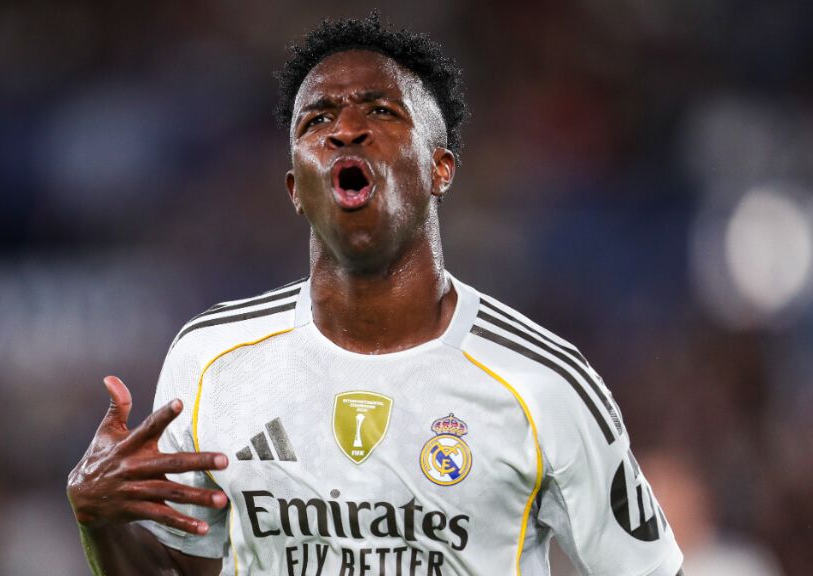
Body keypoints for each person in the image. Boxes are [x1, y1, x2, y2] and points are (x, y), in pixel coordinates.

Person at [67, 13, 685, 576]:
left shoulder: (543, 382)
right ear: (295, 188)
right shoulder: (211, 361)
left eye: (381, 112)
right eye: (317, 120)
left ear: (440, 168)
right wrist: (99, 520)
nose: (345, 130)